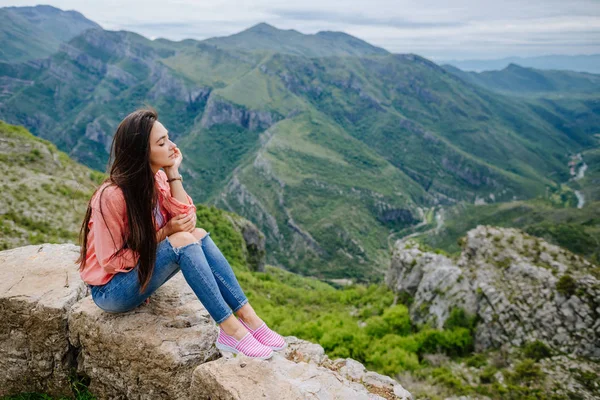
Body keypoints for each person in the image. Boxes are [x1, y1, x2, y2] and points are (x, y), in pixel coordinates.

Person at [76, 107, 285, 359]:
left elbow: (185, 219)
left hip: (140, 275)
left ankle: (249, 318)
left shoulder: (159, 180)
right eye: (162, 142)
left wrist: (173, 173)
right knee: (184, 240)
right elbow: (110, 262)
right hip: (112, 292)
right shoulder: (112, 196)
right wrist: (167, 232)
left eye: (169, 138)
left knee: (197, 233)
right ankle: (231, 331)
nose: (172, 146)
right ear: (142, 151)